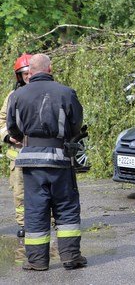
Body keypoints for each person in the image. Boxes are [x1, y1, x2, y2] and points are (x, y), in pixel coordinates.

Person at [6, 54, 86, 271]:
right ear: (50, 69)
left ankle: (37, 261)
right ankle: (70, 257)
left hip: (30, 159)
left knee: (35, 209)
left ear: (30, 73)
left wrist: (24, 138)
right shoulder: (66, 92)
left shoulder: (17, 95)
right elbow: (76, 124)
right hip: (60, 158)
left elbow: (12, 127)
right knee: (66, 207)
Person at [0, 53, 31, 238]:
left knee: (45, 190)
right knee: (20, 192)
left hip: (40, 150)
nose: (28, 76)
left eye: (30, 72)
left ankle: (47, 220)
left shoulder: (46, 91)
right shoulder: (12, 96)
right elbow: (1, 121)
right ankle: (24, 223)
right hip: (18, 154)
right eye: (24, 73)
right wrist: (7, 137)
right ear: (18, 76)